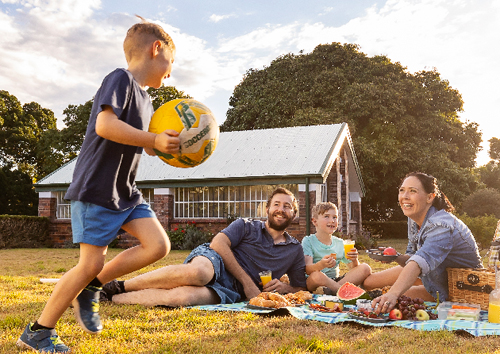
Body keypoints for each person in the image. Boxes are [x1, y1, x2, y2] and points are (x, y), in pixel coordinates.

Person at [18, 19, 179, 353]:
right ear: (156, 48)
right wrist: (152, 139)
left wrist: (173, 146)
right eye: (171, 63)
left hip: (126, 192)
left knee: (158, 245)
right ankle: (38, 331)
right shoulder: (119, 78)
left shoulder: (147, 101)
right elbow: (106, 125)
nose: (170, 72)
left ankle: (92, 289)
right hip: (97, 188)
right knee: (90, 263)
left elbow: (147, 144)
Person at [101, 187, 307, 307]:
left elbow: (301, 287)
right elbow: (218, 243)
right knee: (199, 273)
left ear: (294, 214)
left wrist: (285, 288)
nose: (281, 210)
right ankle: (119, 285)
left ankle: (109, 297)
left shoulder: (294, 250)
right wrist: (248, 283)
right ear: (268, 208)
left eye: (287, 206)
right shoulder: (246, 225)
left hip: (232, 290)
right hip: (215, 260)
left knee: (182, 298)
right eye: (277, 204)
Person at [364, 172, 483, 314]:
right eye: (402, 190)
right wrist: (396, 256)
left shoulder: (442, 225)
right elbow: (413, 256)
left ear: (430, 197)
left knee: (397, 297)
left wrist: (393, 293)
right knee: (369, 284)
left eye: (413, 191)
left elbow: (419, 262)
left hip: (463, 290)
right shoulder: (415, 219)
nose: (405, 196)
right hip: (436, 282)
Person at [302, 202, 371, 294]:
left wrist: (354, 260)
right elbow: (308, 269)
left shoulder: (340, 243)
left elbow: (353, 269)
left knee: (365, 268)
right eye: (326, 216)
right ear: (315, 221)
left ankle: (333, 291)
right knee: (317, 276)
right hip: (315, 281)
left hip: (336, 280)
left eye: (335, 217)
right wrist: (321, 265)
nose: (332, 220)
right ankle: (344, 292)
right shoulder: (308, 241)